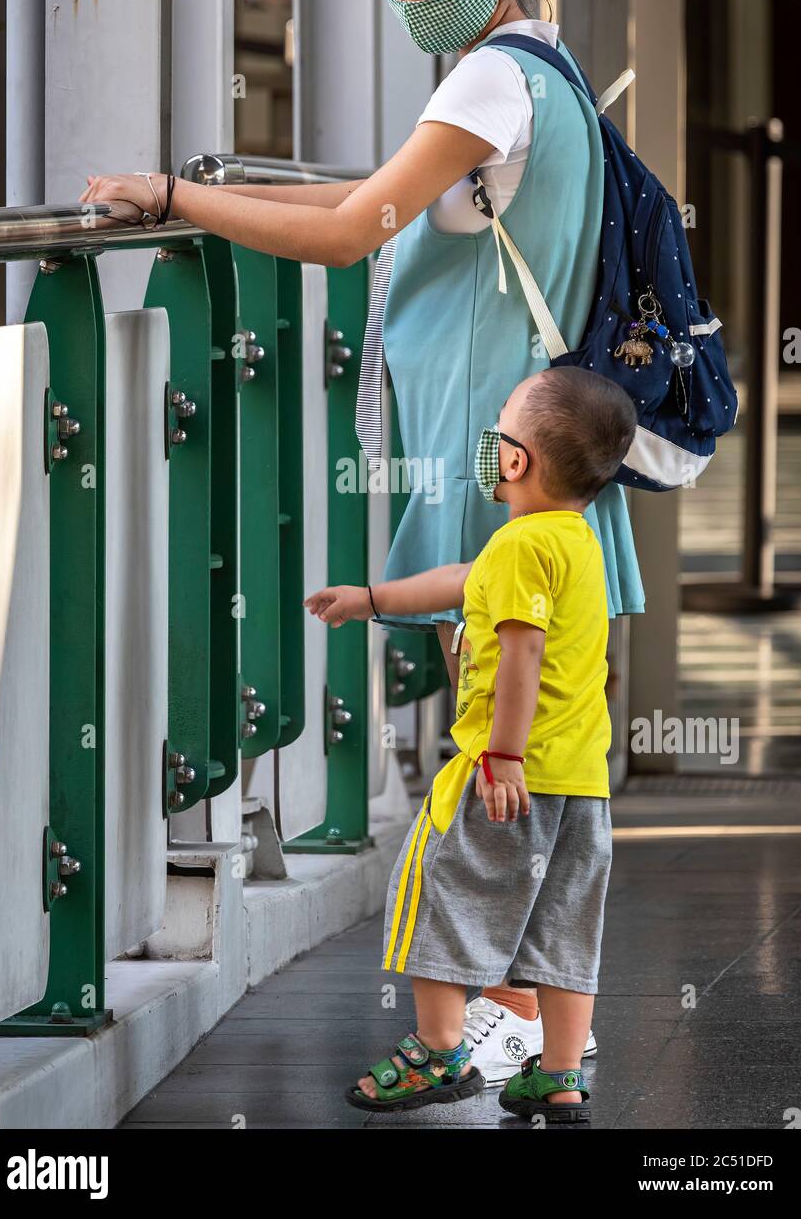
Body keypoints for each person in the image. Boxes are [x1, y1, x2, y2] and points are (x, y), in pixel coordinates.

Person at [80, 0, 645, 1054]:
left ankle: (502, 1017)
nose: (404, 2)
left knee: (502, 745)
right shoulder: (536, 66)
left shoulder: (491, 78)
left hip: (491, 438)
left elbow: (348, 233)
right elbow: (380, 197)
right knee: (534, 738)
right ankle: (535, 1018)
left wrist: (175, 194)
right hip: (518, 434)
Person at [304, 365, 638, 1122]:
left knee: (436, 896)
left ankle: (437, 1049)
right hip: (581, 784)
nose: (489, 445)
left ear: (514, 461)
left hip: (507, 775)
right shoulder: (574, 541)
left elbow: (519, 652)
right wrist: (374, 600)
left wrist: (503, 757)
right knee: (565, 924)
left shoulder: (522, 549)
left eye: (498, 431)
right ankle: (558, 1073)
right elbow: (465, 581)